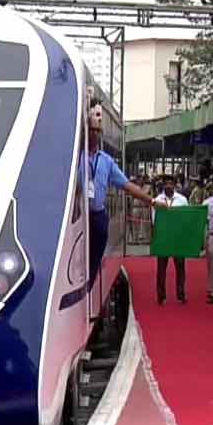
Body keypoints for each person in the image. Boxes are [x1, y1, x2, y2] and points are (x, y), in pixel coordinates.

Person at [85, 99, 154, 289]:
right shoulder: (76, 156)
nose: (94, 134)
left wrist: (151, 201)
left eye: (97, 130)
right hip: (77, 217)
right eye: (91, 129)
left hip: (97, 214)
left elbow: (126, 185)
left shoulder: (106, 161)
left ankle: (90, 284)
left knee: (97, 247)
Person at [153, 177, 188, 305]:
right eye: (166, 184)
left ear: (174, 185)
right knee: (161, 268)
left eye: (170, 183)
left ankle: (181, 294)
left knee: (180, 267)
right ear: (163, 185)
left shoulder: (182, 200)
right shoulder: (157, 200)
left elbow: (186, 218)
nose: (168, 186)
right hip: (163, 237)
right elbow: (154, 221)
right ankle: (161, 296)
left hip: (178, 238)